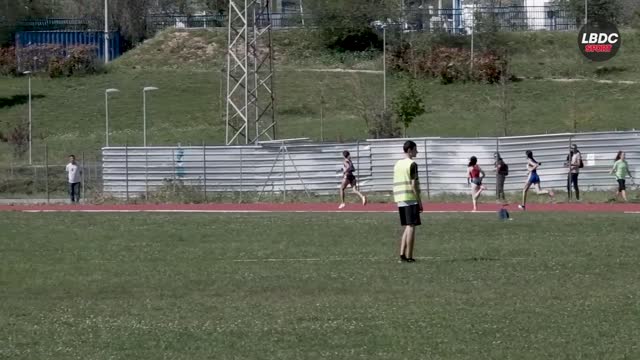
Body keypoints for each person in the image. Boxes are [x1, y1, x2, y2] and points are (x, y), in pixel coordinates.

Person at [393, 141, 422, 263]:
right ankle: (409, 256)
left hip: (400, 198)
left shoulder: (397, 163)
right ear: (409, 150)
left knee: (407, 226)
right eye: (415, 149)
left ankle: (402, 255)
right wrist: (419, 201)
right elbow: (413, 185)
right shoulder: (412, 164)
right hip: (410, 197)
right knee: (411, 227)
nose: (417, 152)